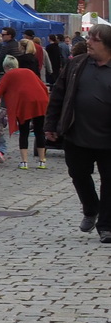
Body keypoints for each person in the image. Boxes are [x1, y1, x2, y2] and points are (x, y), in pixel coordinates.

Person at [46, 22, 111, 242]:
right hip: (77, 133)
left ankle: (106, 227)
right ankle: (91, 208)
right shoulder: (77, 65)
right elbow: (58, 94)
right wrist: (50, 125)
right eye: (89, 37)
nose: (88, 42)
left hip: (107, 138)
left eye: (94, 39)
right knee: (78, 174)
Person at [0, 56, 49, 168]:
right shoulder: (28, 71)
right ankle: (42, 161)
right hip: (40, 101)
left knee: (24, 131)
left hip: (24, 104)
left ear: (6, 67)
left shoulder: (8, 75)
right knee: (39, 130)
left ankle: (24, 162)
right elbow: (43, 87)